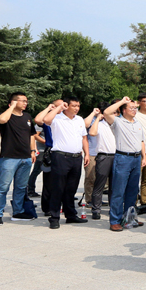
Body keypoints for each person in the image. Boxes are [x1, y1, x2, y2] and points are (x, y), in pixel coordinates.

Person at [42, 97, 90, 230]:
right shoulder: (57, 118)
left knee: (71, 188)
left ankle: (70, 215)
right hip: (61, 157)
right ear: (66, 106)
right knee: (58, 188)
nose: (76, 108)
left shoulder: (79, 119)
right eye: (73, 105)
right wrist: (59, 107)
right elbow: (45, 120)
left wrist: (87, 153)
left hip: (76, 157)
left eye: (78, 106)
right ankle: (54, 217)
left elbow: (84, 137)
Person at [102, 97, 146, 232]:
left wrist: (144, 156)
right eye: (131, 108)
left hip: (136, 158)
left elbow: (141, 141)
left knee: (133, 191)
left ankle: (129, 218)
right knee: (118, 191)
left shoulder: (137, 123)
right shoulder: (118, 121)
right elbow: (106, 112)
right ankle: (115, 220)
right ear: (124, 110)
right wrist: (122, 101)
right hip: (123, 158)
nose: (134, 110)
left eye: (135, 108)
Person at [0, 92, 36, 225]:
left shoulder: (27, 117)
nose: (25, 103)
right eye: (22, 101)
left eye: (26, 101)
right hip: (9, 157)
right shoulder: (4, 115)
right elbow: (2, 120)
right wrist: (12, 107)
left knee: (21, 187)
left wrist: (32, 151)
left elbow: (32, 135)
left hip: (25, 157)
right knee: (3, 187)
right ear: (13, 102)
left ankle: (18, 211)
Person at [89, 101, 115, 220]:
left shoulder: (117, 124)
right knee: (99, 184)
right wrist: (98, 119)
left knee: (114, 186)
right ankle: (96, 209)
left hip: (117, 156)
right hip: (104, 156)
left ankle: (113, 208)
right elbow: (92, 133)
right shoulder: (100, 124)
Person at [81, 107, 101, 205]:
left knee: (100, 179)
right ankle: (89, 200)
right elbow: (85, 124)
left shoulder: (107, 121)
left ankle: (97, 199)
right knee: (90, 177)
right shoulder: (91, 119)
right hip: (92, 153)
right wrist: (94, 113)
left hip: (103, 153)